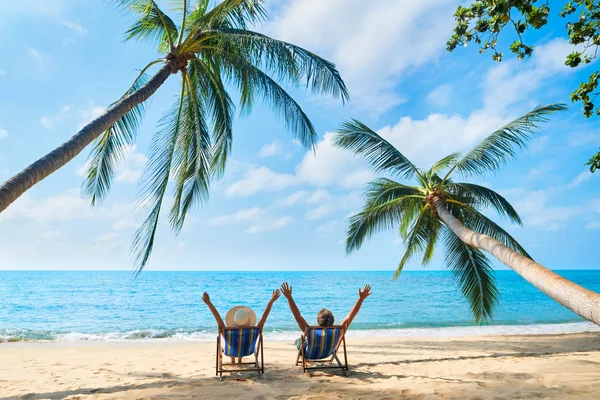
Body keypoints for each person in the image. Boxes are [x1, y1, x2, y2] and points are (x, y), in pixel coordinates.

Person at [280, 282, 372, 349]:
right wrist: (361, 299)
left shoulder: (310, 331)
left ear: (318, 321)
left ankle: (303, 360)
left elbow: (297, 316)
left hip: (311, 354)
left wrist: (289, 297)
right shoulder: (339, 330)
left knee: (299, 341)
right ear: (333, 320)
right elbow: (350, 316)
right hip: (328, 353)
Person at [202, 289, 280, 364]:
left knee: (232, 339)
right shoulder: (255, 330)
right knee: (243, 339)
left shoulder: (225, 331)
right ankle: (240, 359)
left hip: (231, 351)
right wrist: (271, 301)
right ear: (248, 320)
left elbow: (217, 318)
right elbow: (264, 316)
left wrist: (209, 303)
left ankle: (233, 360)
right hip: (247, 350)